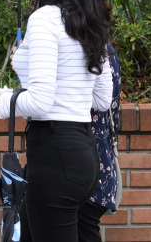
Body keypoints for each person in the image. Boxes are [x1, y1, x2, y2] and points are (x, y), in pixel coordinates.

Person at [0, 0, 113, 242]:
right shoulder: (89, 17)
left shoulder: (45, 19)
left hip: (54, 156)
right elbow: (101, 98)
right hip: (83, 156)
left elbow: (40, 101)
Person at [18, 41, 122, 242]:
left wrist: (29, 64)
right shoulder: (102, 47)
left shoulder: (68, 49)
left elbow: (42, 104)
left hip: (64, 168)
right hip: (95, 169)